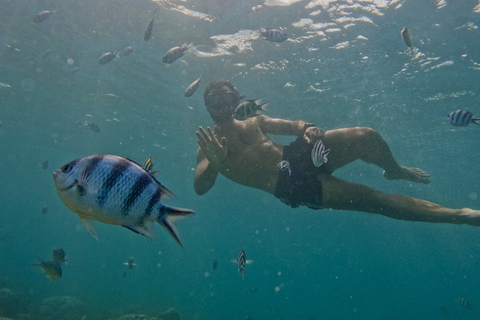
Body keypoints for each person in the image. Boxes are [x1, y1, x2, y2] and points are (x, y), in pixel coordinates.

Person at [194, 80, 480, 226]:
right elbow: (200, 188)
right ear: (206, 105)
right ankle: (460, 215)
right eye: (212, 100)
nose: (220, 104)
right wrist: (215, 165)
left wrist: (309, 129)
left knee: (368, 136)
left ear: (236, 100)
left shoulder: (255, 120)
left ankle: (394, 170)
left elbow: (294, 125)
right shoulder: (207, 146)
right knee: (377, 200)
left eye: (226, 97)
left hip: (301, 153)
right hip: (291, 185)